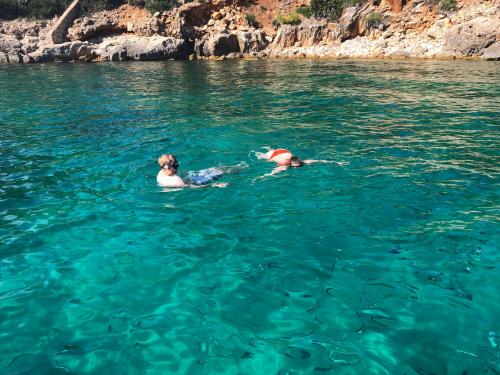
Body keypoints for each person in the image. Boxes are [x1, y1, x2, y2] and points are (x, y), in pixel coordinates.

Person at [157, 154, 247, 188]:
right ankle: (241, 168)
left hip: (189, 177)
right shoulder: (175, 181)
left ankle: (239, 167)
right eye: (176, 166)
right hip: (194, 181)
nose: (177, 167)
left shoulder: (161, 174)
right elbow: (192, 188)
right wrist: (215, 185)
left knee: (214, 170)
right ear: (168, 167)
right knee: (218, 172)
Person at [254, 147, 333, 177]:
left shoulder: (301, 161)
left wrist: (335, 162)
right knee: (261, 156)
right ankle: (267, 149)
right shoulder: (285, 166)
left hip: (283, 151)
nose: (296, 167)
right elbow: (275, 171)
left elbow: (317, 161)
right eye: (295, 166)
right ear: (290, 163)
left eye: (298, 165)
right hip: (273, 155)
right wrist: (266, 175)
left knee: (271, 150)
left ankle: (269, 148)